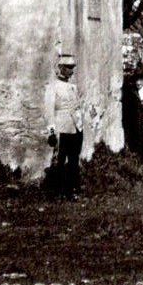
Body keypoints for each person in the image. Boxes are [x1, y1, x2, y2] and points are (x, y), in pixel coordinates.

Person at [44, 53, 86, 199]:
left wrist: (81, 126)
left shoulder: (73, 87)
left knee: (74, 160)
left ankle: (70, 190)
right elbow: (49, 111)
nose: (71, 71)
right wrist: (51, 132)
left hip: (76, 128)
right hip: (62, 128)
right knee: (60, 161)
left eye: (72, 67)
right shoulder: (53, 87)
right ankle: (56, 191)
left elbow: (78, 107)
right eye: (68, 68)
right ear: (61, 68)